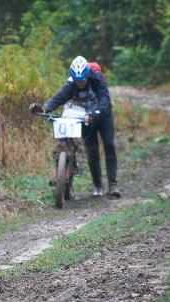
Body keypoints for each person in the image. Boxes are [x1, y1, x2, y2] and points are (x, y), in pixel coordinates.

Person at [30, 56, 121, 198]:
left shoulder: (97, 79)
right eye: (78, 81)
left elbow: (104, 99)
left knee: (109, 144)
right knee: (92, 151)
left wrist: (96, 114)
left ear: (87, 75)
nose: (80, 84)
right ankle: (98, 185)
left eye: (83, 81)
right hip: (83, 117)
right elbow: (59, 98)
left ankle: (113, 184)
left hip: (103, 117)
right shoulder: (72, 84)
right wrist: (44, 109)